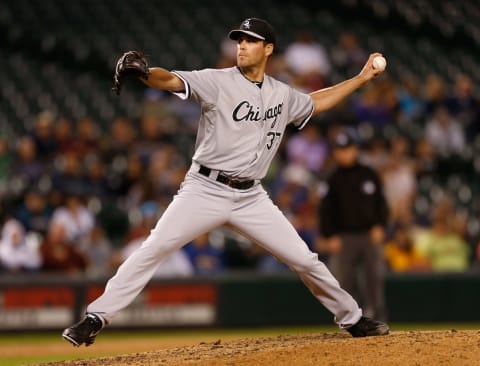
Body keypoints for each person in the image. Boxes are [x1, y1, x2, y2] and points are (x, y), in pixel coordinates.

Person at [62, 18, 389, 347]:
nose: (242, 46)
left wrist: (361, 79)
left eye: (250, 40)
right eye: (239, 40)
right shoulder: (215, 81)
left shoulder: (281, 93)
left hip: (252, 197)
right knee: (154, 247)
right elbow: (171, 80)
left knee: (305, 260)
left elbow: (315, 102)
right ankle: (95, 318)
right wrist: (146, 74)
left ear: (268, 49)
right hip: (204, 189)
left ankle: (353, 320)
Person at [318, 129, 389, 321]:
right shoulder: (331, 179)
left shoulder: (368, 174)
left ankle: (377, 320)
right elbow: (324, 210)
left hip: (369, 234)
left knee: (373, 281)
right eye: (340, 150)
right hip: (343, 238)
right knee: (344, 283)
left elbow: (381, 203)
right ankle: (350, 321)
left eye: (347, 148)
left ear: (355, 149)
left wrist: (380, 225)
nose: (344, 153)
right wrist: (329, 235)